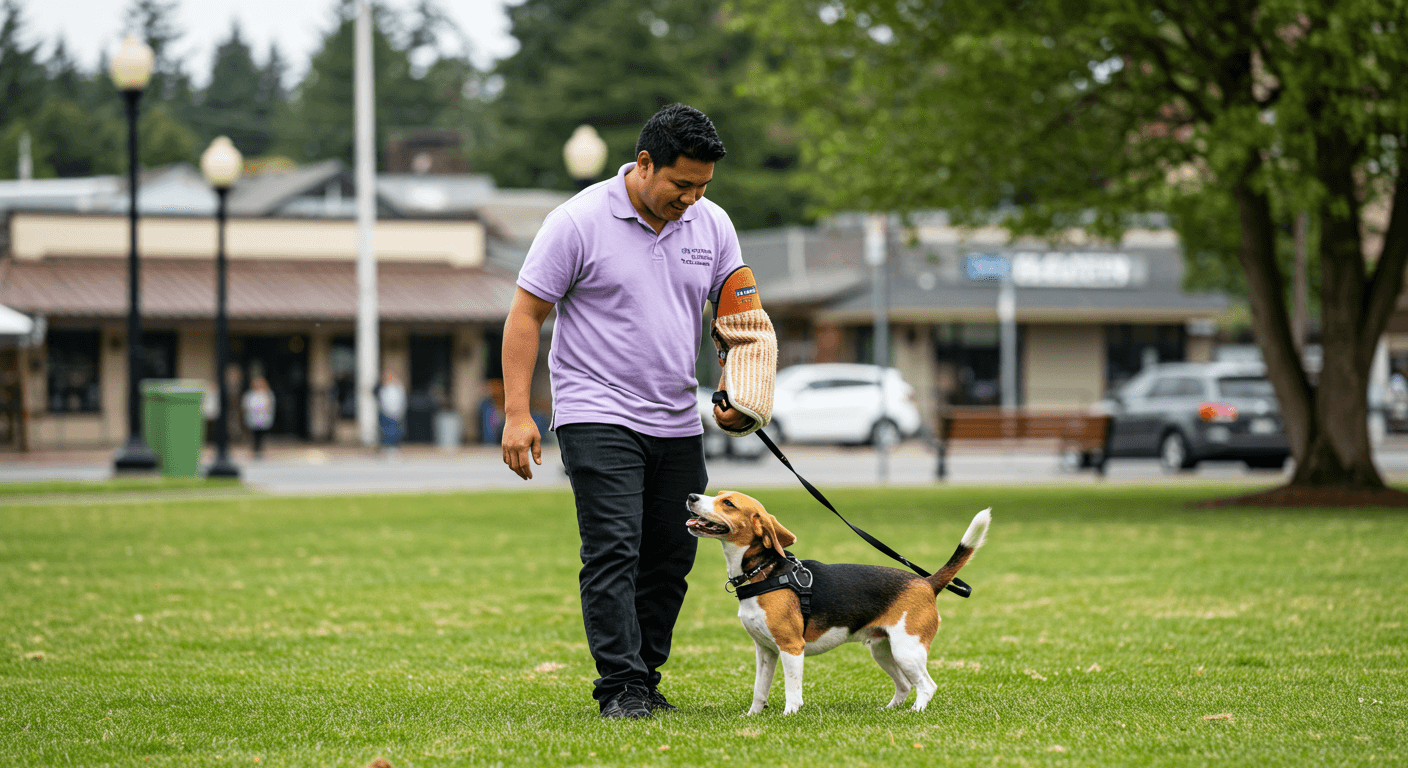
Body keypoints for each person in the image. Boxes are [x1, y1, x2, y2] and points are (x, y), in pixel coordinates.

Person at [501, 104, 776, 719]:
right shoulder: (576, 222)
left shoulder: (712, 224)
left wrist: (743, 392)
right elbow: (525, 315)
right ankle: (620, 686)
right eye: (682, 184)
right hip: (595, 410)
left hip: (677, 415)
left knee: (673, 555)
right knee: (614, 549)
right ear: (644, 163)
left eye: (703, 186)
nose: (692, 198)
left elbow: (740, 319)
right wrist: (518, 413)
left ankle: (644, 679)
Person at [241, 375, 275, 459]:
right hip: (253, 417)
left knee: (261, 434)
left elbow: (270, 405)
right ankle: (255, 448)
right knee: (254, 434)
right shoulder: (250, 394)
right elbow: (246, 404)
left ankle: (260, 448)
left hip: (263, 417)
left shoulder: (267, 393)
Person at [378, 369, 407, 455]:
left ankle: (394, 447)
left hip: (396, 412)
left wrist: (400, 411)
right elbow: (382, 400)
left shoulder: (398, 387)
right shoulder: (384, 387)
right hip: (386, 412)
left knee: (394, 431)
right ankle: (387, 447)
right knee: (386, 431)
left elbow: (402, 400)